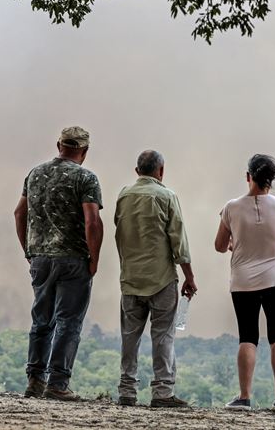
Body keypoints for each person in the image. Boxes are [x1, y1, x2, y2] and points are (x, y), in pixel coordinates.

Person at [13, 126, 103, 401]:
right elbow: (92, 221)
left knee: (41, 319)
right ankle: (58, 383)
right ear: (84, 152)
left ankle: (35, 381)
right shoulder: (86, 178)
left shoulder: (35, 173)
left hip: (40, 259)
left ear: (58, 145)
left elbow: (19, 213)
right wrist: (94, 259)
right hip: (73, 259)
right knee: (68, 321)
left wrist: (29, 251)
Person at [115, 150, 197, 408]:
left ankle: (127, 391)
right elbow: (179, 243)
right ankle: (162, 393)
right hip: (161, 280)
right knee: (163, 336)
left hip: (130, 279)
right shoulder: (167, 196)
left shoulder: (124, 196)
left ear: (137, 171)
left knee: (130, 337)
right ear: (161, 171)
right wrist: (189, 277)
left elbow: (120, 233)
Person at [215, 154, 275, 412]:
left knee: (247, 337)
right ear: (271, 180)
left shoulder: (231, 207)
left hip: (243, 280)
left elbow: (219, 245)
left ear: (248, 176)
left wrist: (233, 244)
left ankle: (244, 397)